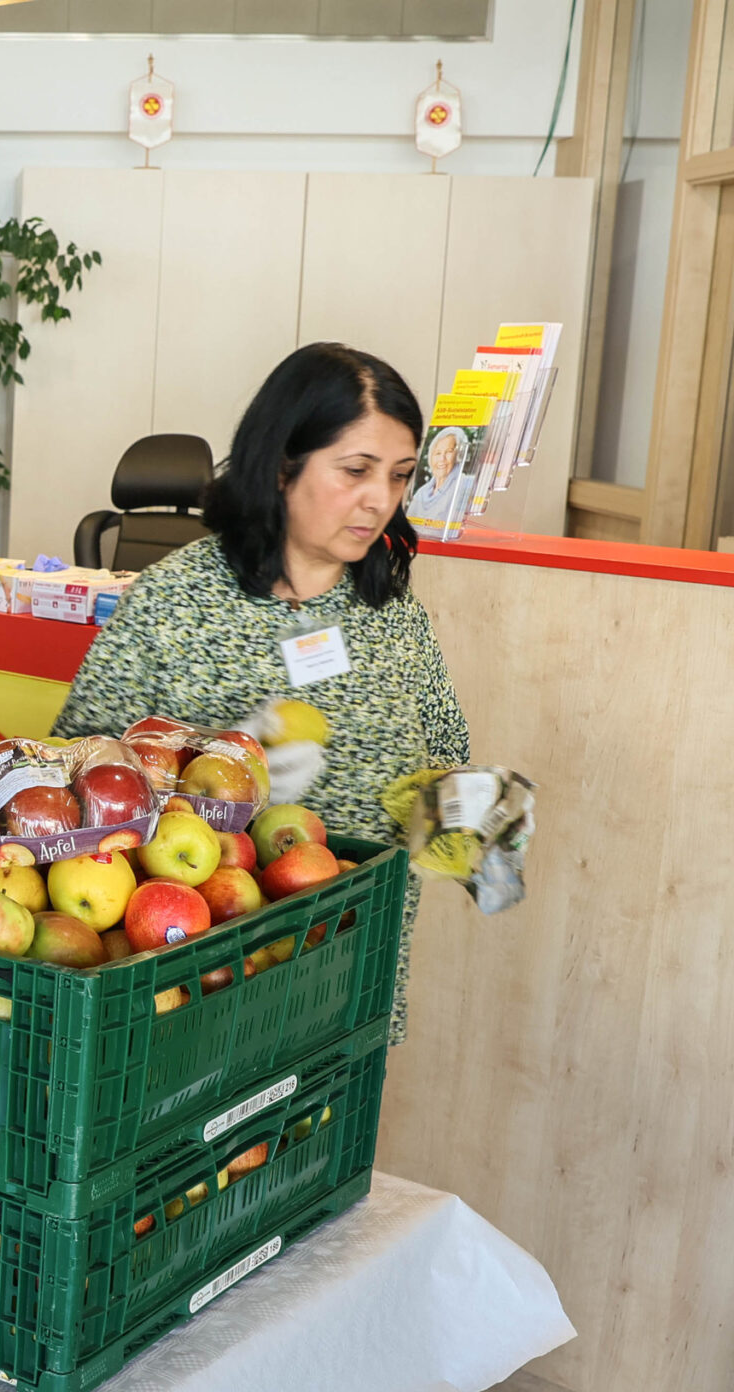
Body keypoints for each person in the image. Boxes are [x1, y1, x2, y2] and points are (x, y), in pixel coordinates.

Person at [49, 343, 470, 1041]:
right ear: (281, 468)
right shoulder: (176, 602)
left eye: (398, 476)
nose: (381, 500)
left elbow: (445, 751)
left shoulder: (391, 608)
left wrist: (472, 817)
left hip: (352, 966)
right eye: (356, 471)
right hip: (204, 984)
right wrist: (216, 766)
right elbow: (75, 779)